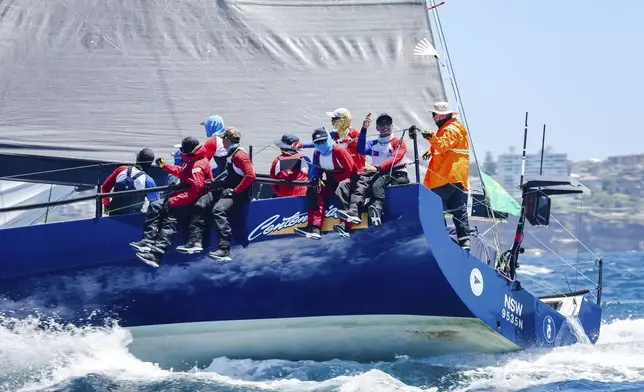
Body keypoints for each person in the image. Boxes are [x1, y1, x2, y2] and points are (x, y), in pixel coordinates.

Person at [129, 137, 213, 267]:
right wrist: (165, 166)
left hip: (191, 200)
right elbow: (183, 173)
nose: (181, 151)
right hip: (183, 196)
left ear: (189, 151)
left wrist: (174, 201)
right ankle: (148, 241)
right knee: (155, 206)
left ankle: (156, 256)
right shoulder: (191, 160)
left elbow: (196, 190)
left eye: (182, 149)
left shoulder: (198, 165)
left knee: (170, 220)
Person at [176, 128, 256, 261]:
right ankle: (195, 242)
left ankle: (224, 250)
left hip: (238, 194)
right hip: (229, 188)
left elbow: (251, 175)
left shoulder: (240, 156)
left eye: (223, 138)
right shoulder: (232, 153)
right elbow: (232, 177)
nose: (221, 141)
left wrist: (235, 191)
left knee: (218, 210)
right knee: (202, 202)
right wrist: (214, 183)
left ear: (227, 140)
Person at [336, 112, 410, 229]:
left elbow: (395, 158)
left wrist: (377, 167)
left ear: (392, 126)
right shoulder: (373, 143)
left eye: (388, 123)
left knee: (377, 183)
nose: (385, 126)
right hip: (377, 173)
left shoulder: (398, 141)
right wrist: (364, 129)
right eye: (381, 124)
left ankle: (377, 210)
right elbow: (360, 149)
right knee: (360, 182)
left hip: (396, 173)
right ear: (377, 128)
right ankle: (353, 212)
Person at [419, 101, 471, 251]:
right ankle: (464, 243)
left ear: (441, 115)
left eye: (434, 114)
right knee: (458, 210)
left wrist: (431, 138)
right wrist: (431, 150)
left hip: (446, 177)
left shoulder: (450, 129)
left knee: (435, 207)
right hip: (457, 178)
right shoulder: (455, 128)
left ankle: (440, 240)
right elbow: (448, 148)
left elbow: (442, 144)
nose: (433, 117)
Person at [294, 127, 356, 240]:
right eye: (317, 142)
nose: (321, 144)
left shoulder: (339, 150)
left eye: (323, 141)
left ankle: (345, 225)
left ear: (328, 139)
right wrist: (314, 178)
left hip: (348, 180)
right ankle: (314, 227)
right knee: (314, 189)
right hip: (332, 182)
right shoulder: (317, 153)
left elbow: (351, 170)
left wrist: (337, 177)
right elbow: (315, 170)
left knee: (343, 186)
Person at [293, 108, 366, 171]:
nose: (332, 121)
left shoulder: (355, 134)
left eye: (334, 119)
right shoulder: (334, 134)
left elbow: (361, 147)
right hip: (340, 167)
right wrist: (302, 145)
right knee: (317, 152)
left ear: (344, 120)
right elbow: (320, 141)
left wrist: (350, 141)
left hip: (355, 169)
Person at [101, 148, 160, 215]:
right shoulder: (148, 180)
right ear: (150, 164)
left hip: (114, 216)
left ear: (137, 158)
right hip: (134, 218)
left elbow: (105, 188)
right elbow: (155, 203)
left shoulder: (121, 169)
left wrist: (106, 205)